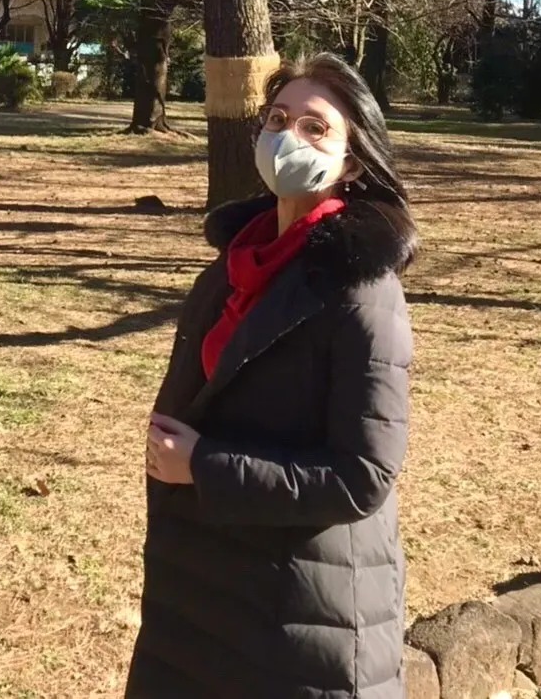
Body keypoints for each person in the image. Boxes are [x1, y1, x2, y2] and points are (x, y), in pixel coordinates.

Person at [126, 53, 417, 699]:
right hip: (203, 601)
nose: (289, 137)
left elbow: (361, 476)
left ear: (354, 160)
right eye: (278, 118)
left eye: (316, 128)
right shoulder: (234, 264)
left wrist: (204, 465)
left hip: (300, 616)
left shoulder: (363, 290)